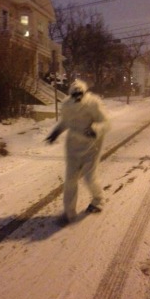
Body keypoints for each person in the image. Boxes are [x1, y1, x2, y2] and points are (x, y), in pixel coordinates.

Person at [46, 79, 110, 223]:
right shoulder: (67, 106)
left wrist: (96, 129)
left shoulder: (93, 103)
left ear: (84, 92)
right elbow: (65, 122)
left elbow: (106, 122)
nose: (78, 97)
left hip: (91, 147)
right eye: (75, 94)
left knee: (89, 178)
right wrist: (56, 132)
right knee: (70, 180)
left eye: (80, 93)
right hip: (73, 148)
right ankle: (69, 212)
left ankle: (98, 200)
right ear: (71, 94)